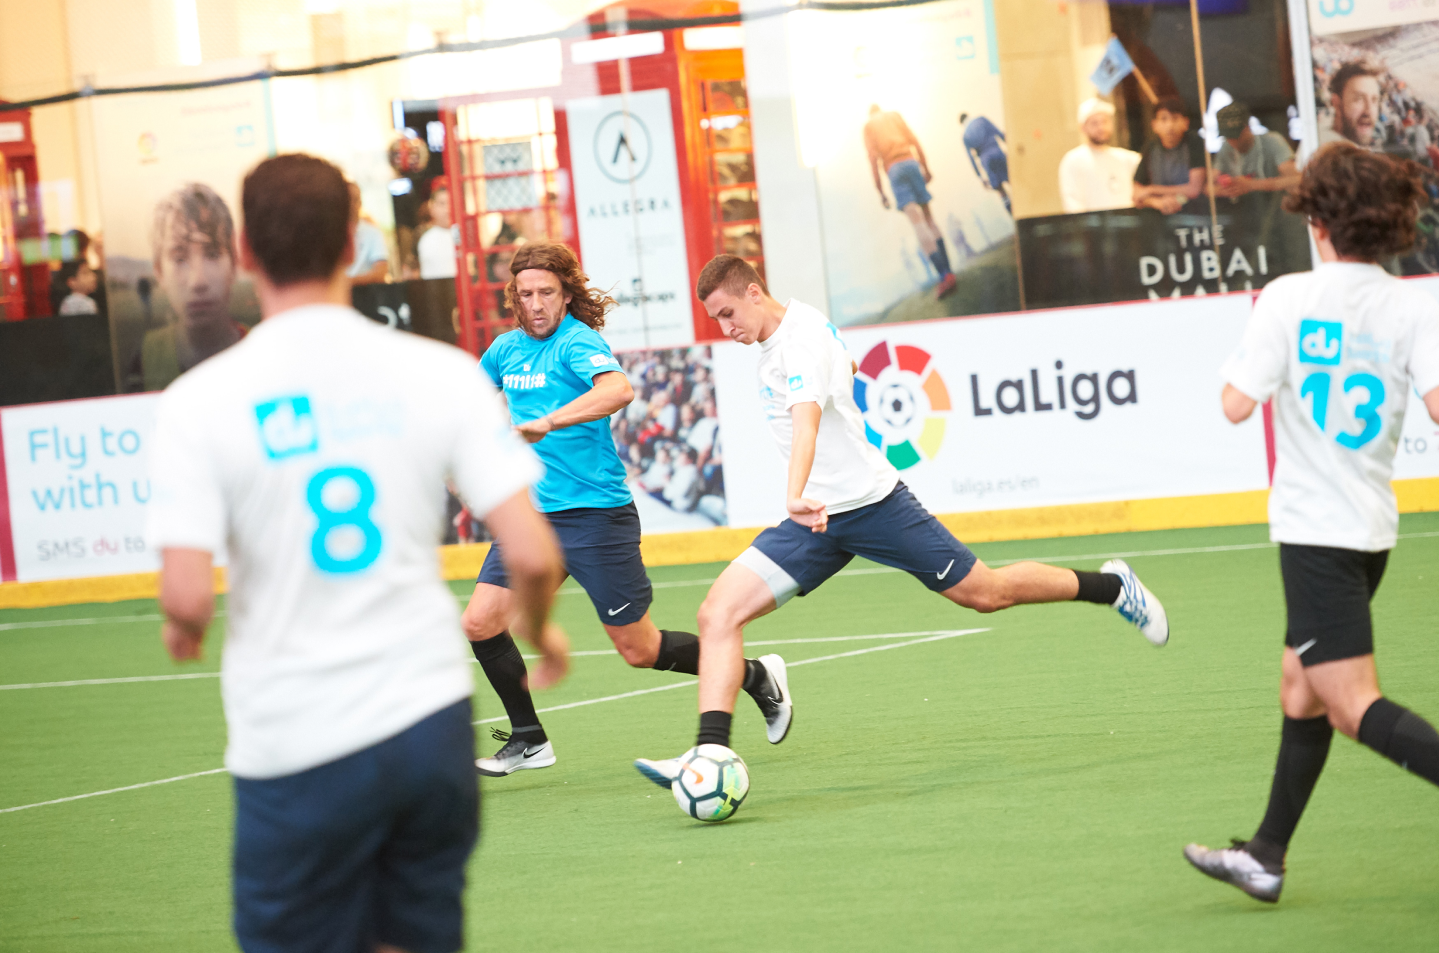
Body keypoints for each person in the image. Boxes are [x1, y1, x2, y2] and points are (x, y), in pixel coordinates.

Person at [146, 153, 569, 952]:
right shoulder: (440, 372)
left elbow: (187, 596)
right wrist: (544, 629)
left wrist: (184, 630)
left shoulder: (198, 401)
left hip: (294, 736)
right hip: (427, 725)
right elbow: (534, 554)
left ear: (244, 253)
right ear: (351, 243)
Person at [633, 255, 1170, 788]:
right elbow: (842, 375)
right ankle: (711, 754)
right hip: (818, 521)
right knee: (717, 614)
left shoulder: (799, 342)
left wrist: (793, 493)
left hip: (872, 506)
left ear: (753, 292)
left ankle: (1112, 587)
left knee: (987, 593)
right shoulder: (790, 330)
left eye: (728, 313)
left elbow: (806, 424)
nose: (725, 328)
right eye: (716, 320)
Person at [1185, 143, 1439, 903]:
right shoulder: (1412, 304)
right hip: (1369, 530)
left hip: (1313, 534)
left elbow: (1235, 404)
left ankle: (1265, 856)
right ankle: (1265, 855)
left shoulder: (1287, 297)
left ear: (1317, 220)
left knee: (1351, 704)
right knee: (1300, 687)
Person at [464, 240, 786, 777]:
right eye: (526, 294)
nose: (536, 304)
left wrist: (550, 421)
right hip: (533, 517)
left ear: (566, 296)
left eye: (547, 292)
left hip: (595, 516)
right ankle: (528, 739)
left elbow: (619, 389)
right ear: (514, 298)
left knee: (640, 649)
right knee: (479, 622)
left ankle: (755, 675)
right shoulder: (503, 350)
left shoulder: (576, 342)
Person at [129, 183, 247, 392]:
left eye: (212, 254)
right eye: (179, 258)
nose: (198, 281)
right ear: (159, 272)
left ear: (234, 263)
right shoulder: (143, 360)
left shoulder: (266, 349)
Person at [863, 104, 958, 298]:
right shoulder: (894, 116)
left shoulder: (869, 127)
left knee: (918, 224)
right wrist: (925, 166)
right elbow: (914, 139)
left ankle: (944, 275)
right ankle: (950, 273)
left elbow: (873, 159)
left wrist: (881, 192)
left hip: (894, 169)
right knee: (930, 220)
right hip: (911, 162)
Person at [1058, 99, 1140, 213]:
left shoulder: (1129, 159)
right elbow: (1072, 204)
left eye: (1104, 121)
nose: (1101, 128)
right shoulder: (1073, 160)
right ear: (1083, 127)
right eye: (1094, 123)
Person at [1132, 98, 1206, 214]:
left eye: (1175, 118)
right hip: (1159, 214)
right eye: (1163, 119)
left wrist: (1152, 189)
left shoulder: (1195, 143)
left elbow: (1194, 189)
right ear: (1154, 125)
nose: (1170, 125)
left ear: (1186, 123)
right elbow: (1137, 194)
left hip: (1195, 212)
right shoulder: (1150, 148)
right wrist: (1157, 202)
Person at [1213, 102, 1300, 198]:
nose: (1232, 141)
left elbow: (1297, 179)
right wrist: (1226, 189)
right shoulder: (1226, 147)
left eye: (1236, 135)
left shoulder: (1272, 141)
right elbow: (1208, 186)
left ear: (1247, 127)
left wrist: (1253, 185)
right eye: (1228, 137)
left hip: (1275, 205)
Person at [1319, 62, 1382, 150]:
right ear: (1336, 103)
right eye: (1359, 99)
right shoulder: (1324, 152)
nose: (1368, 111)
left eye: (1374, 100)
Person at [959, 112, 1011, 213]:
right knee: (1012, 180)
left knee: (1000, 190)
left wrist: (980, 177)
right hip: (997, 152)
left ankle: (1012, 212)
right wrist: (1008, 144)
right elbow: (997, 131)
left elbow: (971, 159)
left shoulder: (965, 135)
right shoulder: (982, 119)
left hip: (986, 160)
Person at [347, 181, 390, 284]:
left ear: (360, 202)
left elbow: (381, 272)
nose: (351, 205)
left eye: (355, 199)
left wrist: (346, 283)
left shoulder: (372, 233)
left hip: (364, 292)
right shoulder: (330, 234)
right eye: (347, 200)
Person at [417, 180, 457, 279]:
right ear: (432, 207)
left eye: (450, 203)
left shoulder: (463, 235)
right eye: (442, 204)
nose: (447, 209)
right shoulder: (425, 239)